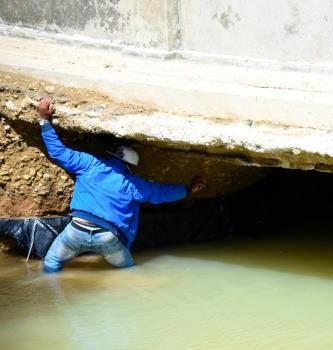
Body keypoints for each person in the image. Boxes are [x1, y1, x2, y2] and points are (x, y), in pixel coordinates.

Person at [37, 99, 206, 273]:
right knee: (129, 272)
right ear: (130, 167)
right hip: (108, 238)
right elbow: (160, 193)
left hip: (77, 229)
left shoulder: (89, 163)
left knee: (52, 263)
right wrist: (188, 189)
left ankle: (53, 294)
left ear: (111, 155)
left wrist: (43, 120)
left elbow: (58, 152)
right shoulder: (132, 183)